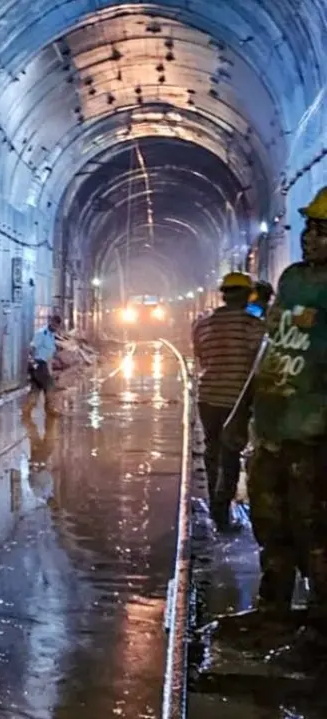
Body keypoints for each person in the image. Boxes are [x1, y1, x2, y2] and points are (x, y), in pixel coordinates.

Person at [246, 185, 327, 634]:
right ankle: (273, 608)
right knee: (270, 519)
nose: (310, 238)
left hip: (313, 434)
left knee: (312, 526)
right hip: (274, 425)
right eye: (310, 228)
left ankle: (319, 622)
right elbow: (274, 338)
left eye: (323, 230)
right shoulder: (293, 279)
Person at [192, 272, 266, 530]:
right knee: (231, 454)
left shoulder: (202, 325)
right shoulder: (253, 326)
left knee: (212, 452)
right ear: (248, 296)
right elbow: (260, 363)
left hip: (207, 397)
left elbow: (201, 358)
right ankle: (222, 515)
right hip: (236, 399)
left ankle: (215, 501)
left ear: (223, 295)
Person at [23, 314, 63, 416]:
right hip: (37, 363)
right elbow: (32, 348)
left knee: (36, 388)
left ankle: (26, 411)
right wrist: (32, 362)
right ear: (51, 322)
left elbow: (50, 351)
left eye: (57, 327)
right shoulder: (42, 333)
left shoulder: (51, 335)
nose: (56, 328)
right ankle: (50, 409)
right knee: (50, 385)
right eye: (54, 326)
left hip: (43, 363)